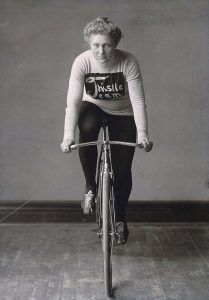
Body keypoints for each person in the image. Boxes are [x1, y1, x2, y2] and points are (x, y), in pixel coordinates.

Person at [61, 17, 152, 244]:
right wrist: (67, 136)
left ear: (115, 43)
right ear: (89, 44)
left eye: (107, 45)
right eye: (95, 45)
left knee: (122, 170)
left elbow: (138, 100)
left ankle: (120, 217)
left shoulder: (128, 61)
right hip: (93, 107)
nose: (101, 51)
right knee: (88, 127)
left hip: (123, 112)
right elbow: (72, 102)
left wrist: (142, 134)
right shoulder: (82, 62)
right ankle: (90, 188)